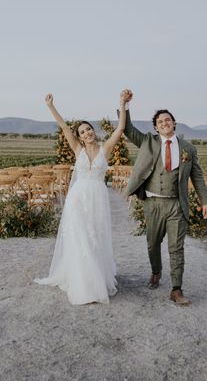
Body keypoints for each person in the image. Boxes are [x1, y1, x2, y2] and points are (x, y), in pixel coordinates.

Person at [34, 92, 127, 305]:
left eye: (88, 129)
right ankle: (83, 284)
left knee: (95, 237)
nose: (86, 133)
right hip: (77, 199)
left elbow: (120, 128)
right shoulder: (77, 149)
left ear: (94, 131)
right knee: (80, 238)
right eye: (82, 132)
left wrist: (121, 104)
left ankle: (96, 279)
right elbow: (65, 127)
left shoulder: (106, 149)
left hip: (98, 200)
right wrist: (51, 106)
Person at [121, 89, 207, 305]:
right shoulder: (147, 142)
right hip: (152, 203)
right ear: (155, 127)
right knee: (152, 244)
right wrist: (124, 104)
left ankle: (176, 289)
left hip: (176, 205)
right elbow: (127, 129)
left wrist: (205, 201)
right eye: (160, 121)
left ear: (174, 123)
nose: (164, 123)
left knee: (176, 247)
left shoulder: (188, 148)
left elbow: (197, 176)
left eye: (167, 120)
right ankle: (156, 271)